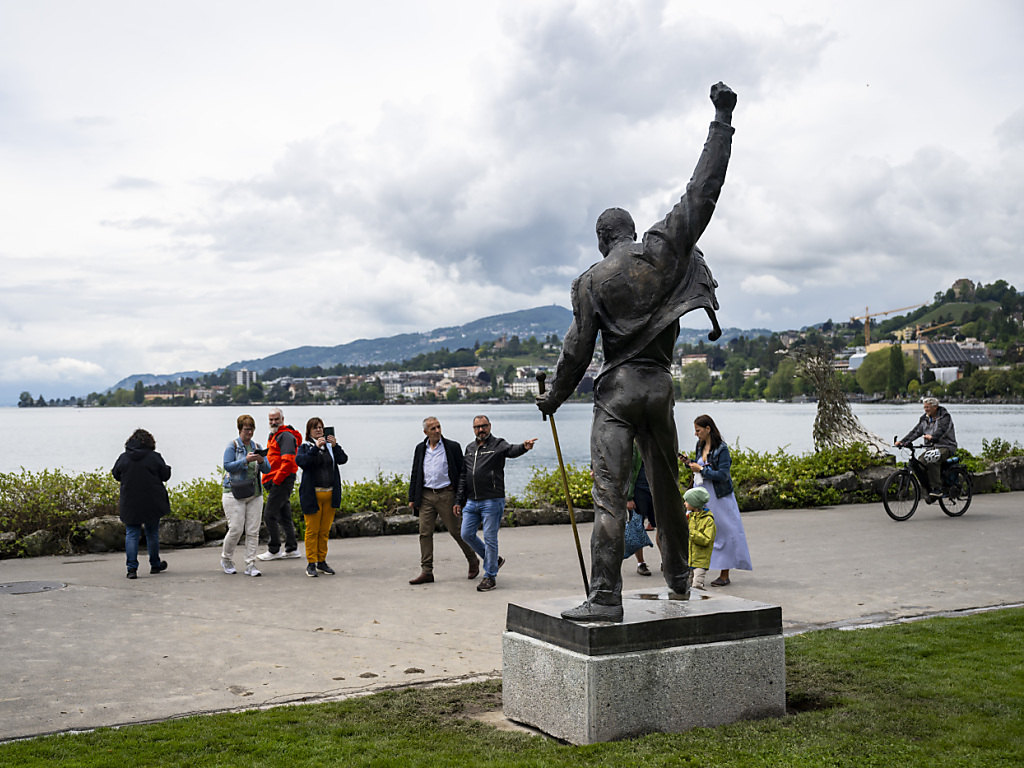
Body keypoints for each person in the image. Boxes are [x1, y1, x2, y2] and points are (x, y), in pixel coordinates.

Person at [536, 82, 737, 622]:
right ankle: (679, 580)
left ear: (602, 239)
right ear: (629, 232)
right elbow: (702, 192)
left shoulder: (591, 281)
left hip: (618, 393)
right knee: (667, 490)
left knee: (609, 495)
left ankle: (605, 596)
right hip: (660, 387)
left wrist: (553, 398)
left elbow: (577, 353)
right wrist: (721, 120)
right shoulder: (664, 252)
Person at [453, 415, 537, 592]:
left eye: (484, 426)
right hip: (472, 501)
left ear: (490, 426)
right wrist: (458, 501)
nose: (481, 430)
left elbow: (512, 450)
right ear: (473, 429)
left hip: (492, 499)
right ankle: (494, 560)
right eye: (477, 427)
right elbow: (463, 476)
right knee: (466, 534)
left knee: (490, 538)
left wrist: (524, 447)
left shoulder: (498, 444)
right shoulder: (469, 448)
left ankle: (490, 576)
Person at [407, 416, 480, 585]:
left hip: (447, 494)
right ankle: (427, 571)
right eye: (433, 428)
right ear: (426, 432)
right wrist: (412, 498)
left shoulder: (452, 447)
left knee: (456, 531)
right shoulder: (420, 448)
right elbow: (415, 472)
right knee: (425, 534)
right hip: (426, 496)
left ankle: (472, 559)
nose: (437, 431)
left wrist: (461, 498)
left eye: (439, 427)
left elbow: (462, 473)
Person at [685, 414, 752, 587]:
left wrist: (701, 469)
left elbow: (723, 475)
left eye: (698, 430)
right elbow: (700, 467)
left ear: (708, 429)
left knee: (724, 532)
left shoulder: (722, 449)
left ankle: (724, 574)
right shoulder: (699, 445)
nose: (695, 434)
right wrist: (690, 464)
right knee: (699, 530)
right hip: (702, 494)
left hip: (719, 496)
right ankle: (697, 572)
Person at [111, 428, 171, 579]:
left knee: (132, 534)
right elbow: (165, 475)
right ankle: (155, 564)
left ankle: (132, 569)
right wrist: (167, 468)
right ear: (150, 442)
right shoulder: (154, 457)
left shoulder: (124, 458)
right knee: (152, 533)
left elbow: (116, 474)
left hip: (130, 502)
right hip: (152, 501)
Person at [296, 417, 348, 578]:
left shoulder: (330, 448)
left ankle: (322, 561)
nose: (318, 430)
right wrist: (315, 448)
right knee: (312, 531)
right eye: (315, 428)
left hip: (330, 494)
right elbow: (302, 462)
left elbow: (343, 459)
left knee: (324, 531)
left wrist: (335, 446)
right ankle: (311, 563)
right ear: (309, 432)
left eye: (320, 427)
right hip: (313, 495)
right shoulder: (305, 447)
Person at [221, 414, 272, 577]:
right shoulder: (233, 446)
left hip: (254, 493)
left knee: (253, 531)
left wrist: (261, 460)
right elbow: (227, 466)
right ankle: (226, 559)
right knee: (236, 529)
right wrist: (246, 460)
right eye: (246, 429)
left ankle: (250, 564)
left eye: (252, 429)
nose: (249, 433)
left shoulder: (257, 446)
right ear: (240, 429)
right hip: (233, 492)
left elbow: (267, 469)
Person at [257, 408, 303, 562]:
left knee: (269, 514)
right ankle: (292, 548)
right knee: (284, 515)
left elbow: (288, 461)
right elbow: (274, 456)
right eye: (271, 419)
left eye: (276, 419)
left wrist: (276, 480)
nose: (273, 422)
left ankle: (274, 549)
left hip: (282, 480)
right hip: (279, 479)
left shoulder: (286, 436)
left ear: (282, 419)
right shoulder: (274, 436)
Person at [896, 397, 958, 502]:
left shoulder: (944, 417)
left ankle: (937, 488)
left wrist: (933, 437)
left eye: (928, 407)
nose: (926, 409)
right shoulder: (924, 419)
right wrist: (902, 442)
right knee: (920, 464)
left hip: (946, 446)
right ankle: (929, 489)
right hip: (931, 448)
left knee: (932, 458)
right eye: (924, 407)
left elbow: (941, 430)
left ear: (935, 407)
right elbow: (915, 432)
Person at [626, 444, 657, 576]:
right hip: (639, 490)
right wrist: (629, 497)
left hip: (656, 489)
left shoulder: (655, 442)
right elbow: (628, 469)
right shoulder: (634, 444)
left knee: (662, 527)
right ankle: (641, 563)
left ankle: (666, 561)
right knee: (636, 526)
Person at [683, 486, 715, 590]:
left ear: (694, 503)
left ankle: (701, 599)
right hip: (689, 559)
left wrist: (691, 533)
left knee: (697, 585)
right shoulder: (689, 517)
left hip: (701, 561)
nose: (684, 503)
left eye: (686, 501)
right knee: (687, 586)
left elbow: (707, 540)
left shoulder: (708, 520)